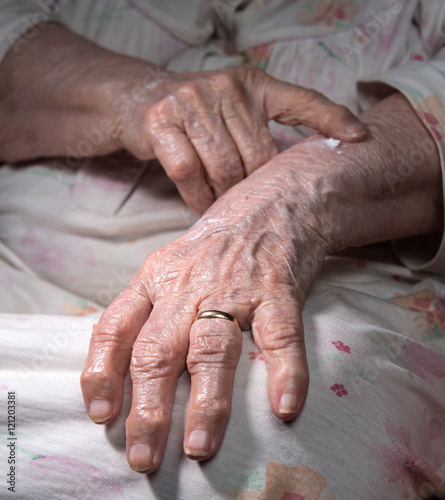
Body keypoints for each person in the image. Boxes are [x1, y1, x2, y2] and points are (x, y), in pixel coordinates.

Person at [0, 1, 444, 498]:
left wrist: (285, 204)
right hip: (16, 311)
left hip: (345, 291)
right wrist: (137, 96)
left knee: (273, 418)